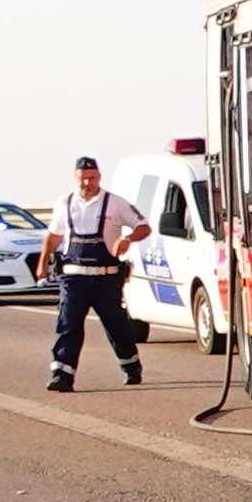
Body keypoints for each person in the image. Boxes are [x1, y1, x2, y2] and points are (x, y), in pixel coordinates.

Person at [36, 157, 153, 393]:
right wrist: (42, 263)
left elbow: (143, 226)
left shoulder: (115, 203)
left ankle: (131, 366)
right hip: (73, 278)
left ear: (99, 177)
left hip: (106, 278)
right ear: (75, 178)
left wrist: (127, 239)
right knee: (68, 325)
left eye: (92, 178)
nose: (87, 183)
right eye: (83, 179)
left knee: (117, 327)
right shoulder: (64, 203)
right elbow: (54, 235)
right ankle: (62, 375)